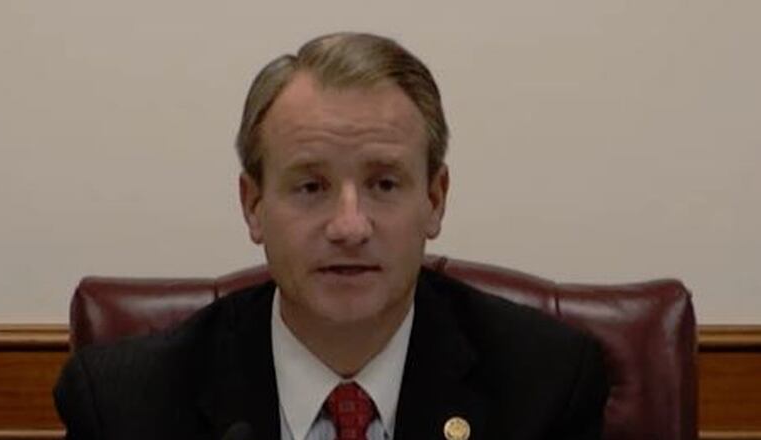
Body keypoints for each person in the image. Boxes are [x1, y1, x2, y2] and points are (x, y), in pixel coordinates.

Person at [54, 32, 608, 440]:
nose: (349, 226)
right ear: (253, 205)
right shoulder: (127, 406)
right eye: (311, 186)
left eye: (384, 183)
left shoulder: (544, 384)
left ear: (434, 200)